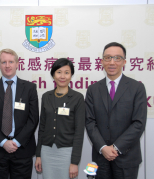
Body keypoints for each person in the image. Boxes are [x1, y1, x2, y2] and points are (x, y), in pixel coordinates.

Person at [85, 42, 147, 179]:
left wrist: (116, 147)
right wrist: (103, 147)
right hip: (100, 158)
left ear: (124, 62)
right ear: (102, 61)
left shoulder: (137, 88)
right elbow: (89, 122)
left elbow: (138, 123)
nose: (112, 62)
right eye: (108, 58)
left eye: (117, 58)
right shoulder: (93, 90)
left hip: (127, 158)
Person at [0, 48, 39, 179]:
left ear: (17, 64)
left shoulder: (30, 88)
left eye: (11, 62)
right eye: (3, 62)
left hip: (22, 150)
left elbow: (33, 119)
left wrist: (17, 142)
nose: (7, 65)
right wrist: (3, 142)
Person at [35, 58, 85, 179]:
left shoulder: (77, 98)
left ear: (71, 75)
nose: (62, 76)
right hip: (46, 152)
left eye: (67, 72)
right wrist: (38, 155)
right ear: (53, 74)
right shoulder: (46, 96)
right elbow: (42, 127)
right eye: (59, 72)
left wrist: (74, 162)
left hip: (67, 153)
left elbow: (79, 132)